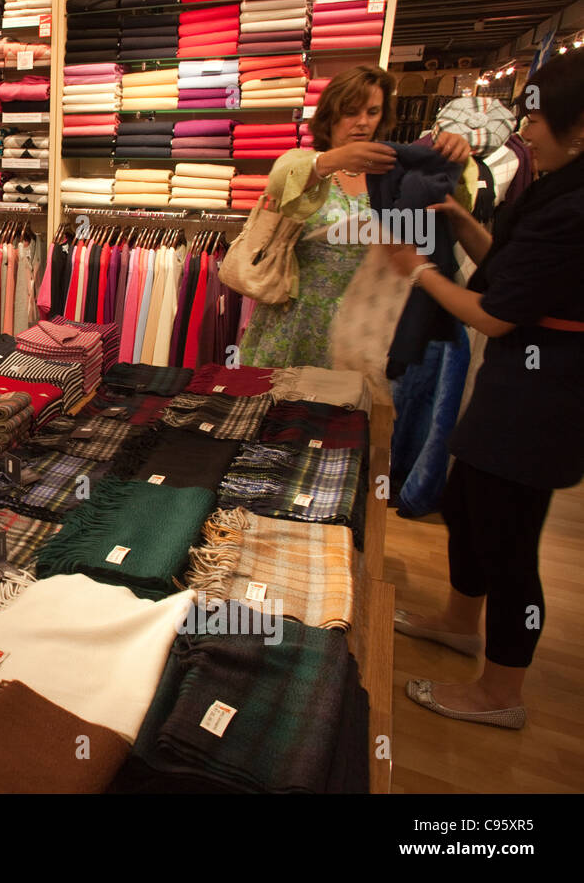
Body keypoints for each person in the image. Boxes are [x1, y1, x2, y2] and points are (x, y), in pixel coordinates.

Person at [388, 49, 584, 728]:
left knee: (509, 540)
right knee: (469, 505)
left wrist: (417, 270)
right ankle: (458, 621)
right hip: (514, 389)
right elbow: (507, 265)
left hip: (542, 399)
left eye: (536, 119)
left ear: (578, 128)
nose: (525, 133)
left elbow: (496, 314)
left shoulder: (575, 208)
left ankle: (501, 693)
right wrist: (461, 219)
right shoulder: (559, 187)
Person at [238, 65, 472, 369]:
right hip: (295, 320)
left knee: (353, 399)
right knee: (281, 397)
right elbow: (280, 182)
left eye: (373, 112)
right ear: (330, 115)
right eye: (350, 112)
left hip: (366, 326)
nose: (362, 122)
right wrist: (331, 160)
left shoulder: (394, 175)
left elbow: (449, 216)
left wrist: (457, 162)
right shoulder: (305, 164)